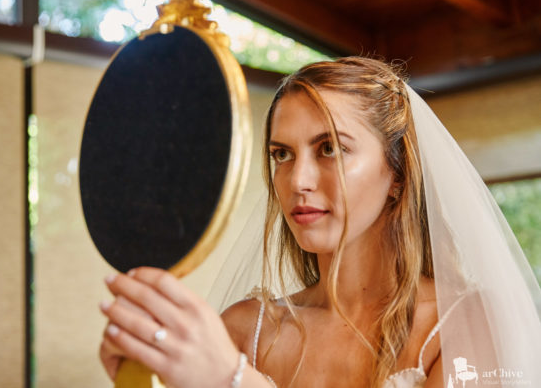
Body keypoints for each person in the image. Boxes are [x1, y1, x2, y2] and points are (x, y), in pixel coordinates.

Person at [98, 57, 541, 388]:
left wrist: (233, 380)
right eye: (282, 154)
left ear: (398, 173)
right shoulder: (243, 330)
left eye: (329, 148)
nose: (297, 181)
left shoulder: (465, 324)